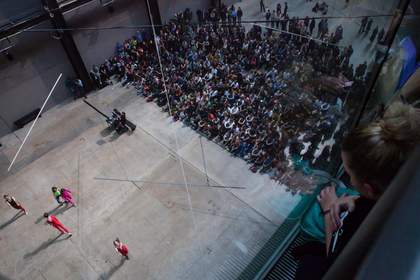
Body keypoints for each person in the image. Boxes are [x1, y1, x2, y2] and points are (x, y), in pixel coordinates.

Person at [294, 102, 420, 279]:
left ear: (369, 189)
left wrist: (329, 212)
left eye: (349, 173)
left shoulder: (362, 217)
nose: (349, 179)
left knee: (311, 264)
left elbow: (337, 259)